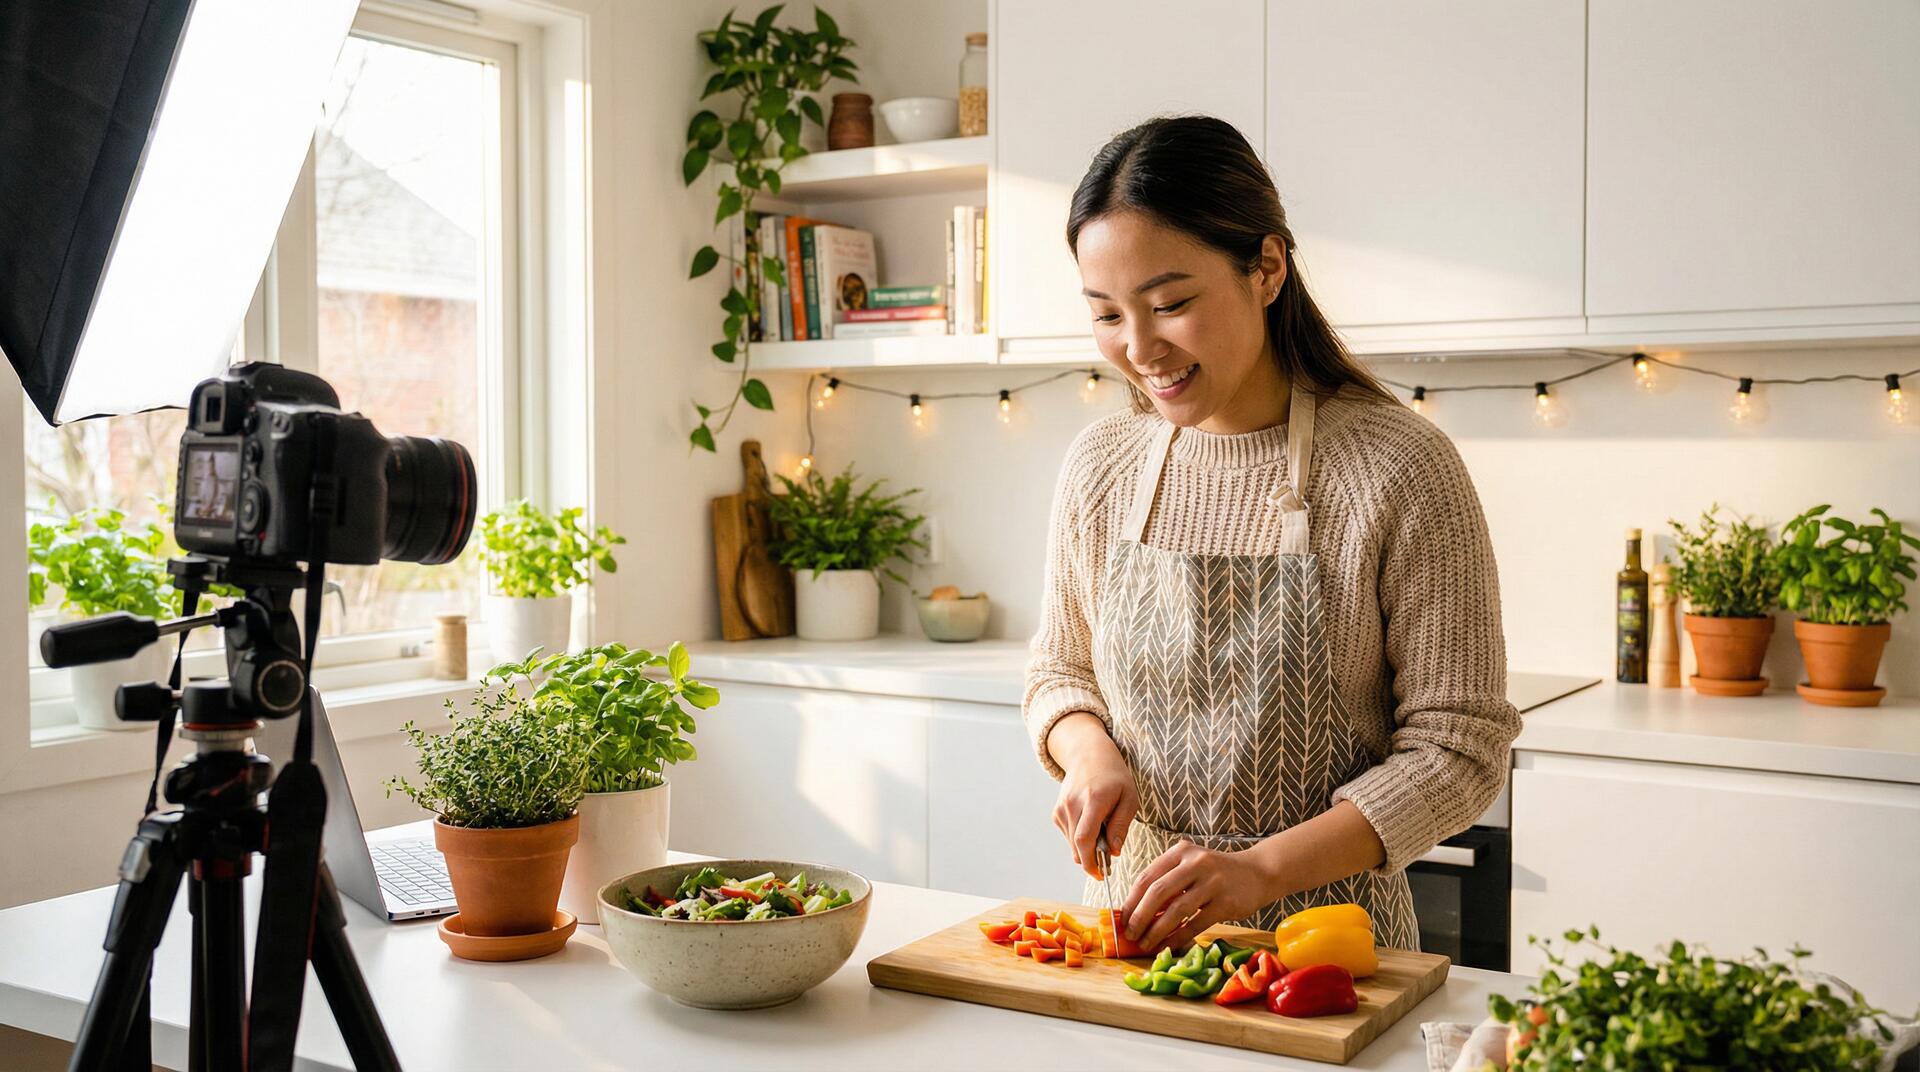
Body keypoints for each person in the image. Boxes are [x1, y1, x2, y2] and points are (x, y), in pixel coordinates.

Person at [1023, 115, 1520, 955]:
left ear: (1266, 268)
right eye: (1107, 314)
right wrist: (1088, 754)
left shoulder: (1398, 466)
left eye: (1171, 304)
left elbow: (1460, 749)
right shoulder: (1101, 464)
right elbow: (1059, 671)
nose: (1140, 348)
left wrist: (1259, 871)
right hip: (1133, 942)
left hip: (1329, 956)